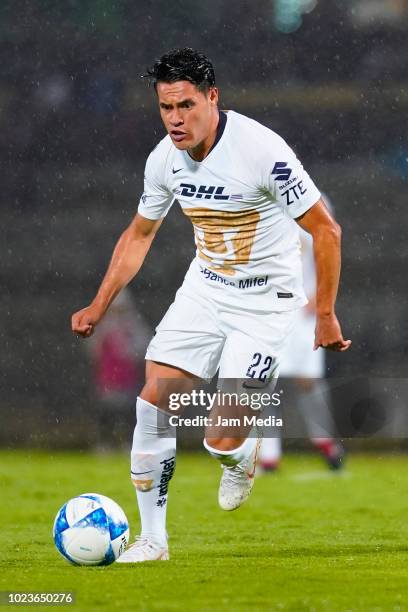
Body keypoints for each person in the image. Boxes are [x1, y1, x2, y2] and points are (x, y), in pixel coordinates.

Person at [71, 48, 351, 562]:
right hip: (205, 289)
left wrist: (327, 312)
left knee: (220, 437)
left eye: (186, 106)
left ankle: (239, 455)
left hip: (267, 301)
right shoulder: (164, 160)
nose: (175, 120)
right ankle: (153, 540)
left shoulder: (262, 151)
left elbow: (325, 231)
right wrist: (99, 304)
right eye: (165, 107)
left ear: (213, 98)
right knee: (153, 400)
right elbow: (139, 235)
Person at [259, 198, 345, 472]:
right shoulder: (255, 194)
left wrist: (320, 296)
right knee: (261, 381)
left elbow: (329, 241)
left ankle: (325, 441)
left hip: (303, 306)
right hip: (267, 306)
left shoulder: (313, 196)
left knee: (307, 381)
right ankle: (268, 456)